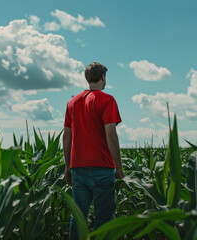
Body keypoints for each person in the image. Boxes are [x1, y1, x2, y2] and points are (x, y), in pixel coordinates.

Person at [63, 62, 125, 239]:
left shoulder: (72, 102)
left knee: (79, 217)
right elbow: (111, 135)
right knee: (104, 219)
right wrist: (119, 169)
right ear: (103, 77)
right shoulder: (107, 100)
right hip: (102, 168)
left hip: (78, 169)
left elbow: (66, 136)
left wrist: (68, 167)